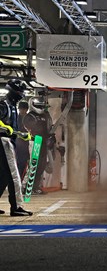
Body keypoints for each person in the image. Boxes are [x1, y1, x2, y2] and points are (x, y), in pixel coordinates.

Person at [0, 79, 33, 216]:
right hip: (3, 141)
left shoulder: (13, 106)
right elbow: (4, 126)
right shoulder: (3, 104)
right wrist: (3, 126)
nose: (22, 94)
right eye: (20, 92)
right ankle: (16, 207)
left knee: (2, 176)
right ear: (14, 92)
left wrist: (21, 134)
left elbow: (11, 128)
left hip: (8, 140)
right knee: (14, 175)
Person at [23, 96, 55, 195]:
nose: (41, 108)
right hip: (35, 141)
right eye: (39, 106)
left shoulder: (45, 116)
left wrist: (51, 138)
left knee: (41, 166)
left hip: (44, 142)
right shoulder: (29, 116)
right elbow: (30, 129)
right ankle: (25, 187)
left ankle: (35, 187)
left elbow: (49, 129)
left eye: (42, 106)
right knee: (33, 165)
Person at [15, 101, 29, 178]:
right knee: (17, 162)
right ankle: (18, 179)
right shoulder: (16, 118)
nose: (22, 111)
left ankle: (21, 179)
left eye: (24, 109)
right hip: (17, 143)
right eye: (21, 109)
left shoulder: (29, 118)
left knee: (24, 162)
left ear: (27, 109)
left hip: (26, 144)